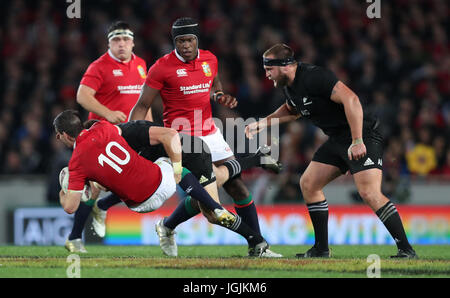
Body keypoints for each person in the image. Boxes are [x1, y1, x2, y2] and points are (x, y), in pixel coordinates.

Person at [245, 43, 417, 259]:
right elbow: (292, 110)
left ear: (285, 65)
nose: (266, 74)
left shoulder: (314, 76)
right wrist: (264, 123)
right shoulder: (289, 86)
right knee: (308, 183)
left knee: (369, 192)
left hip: (361, 134)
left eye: (269, 69)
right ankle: (321, 249)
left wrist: (357, 140)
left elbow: (351, 99)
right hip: (337, 139)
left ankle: (406, 249)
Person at [129, 17, 282, 257]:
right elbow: (141, 105)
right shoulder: (161, 67)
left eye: (190, 40)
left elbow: (215, 84)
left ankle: (257, 247)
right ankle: (255, 161)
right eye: (180, 41)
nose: (186, 45)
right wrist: (135, 138)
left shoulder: (210, 59)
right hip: (184, 140)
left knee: (238, 188)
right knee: (210, 206)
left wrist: (220, 96)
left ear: (197, 40)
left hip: (211, 132)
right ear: (174, 42)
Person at [54, 110, 275, 257]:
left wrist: (65, 187)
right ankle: (229, 208)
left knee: (212, 182)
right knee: (196, 180)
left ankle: (252, 167)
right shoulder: (108, 130)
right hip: (163, 179)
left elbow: (70, 206)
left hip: (148, 195)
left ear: (62, 135)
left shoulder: (78, 163)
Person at [64, 20, 152, 253]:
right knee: (94, 186)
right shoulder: (99, 66)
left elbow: (144, 101)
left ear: (133, 42)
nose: (121, 44)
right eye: (116, 40)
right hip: (100, 135)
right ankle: (74, 238)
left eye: (125, 40)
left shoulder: (142, 65)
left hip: (131, 134)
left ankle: (102, 207)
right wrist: (108, 113)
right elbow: (82, 96)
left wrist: (149, 127)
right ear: (109, 43)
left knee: (139, 180)